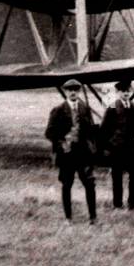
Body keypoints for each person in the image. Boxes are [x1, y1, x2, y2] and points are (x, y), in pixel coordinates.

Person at [44, 79, 99, 224]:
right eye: (70, 90)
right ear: (66, 92)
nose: (73, 92)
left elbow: (90, 131)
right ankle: (68, 218)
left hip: (83, 154)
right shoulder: (58, 110)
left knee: (89, 184)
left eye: (76, 89)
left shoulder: (85, 108)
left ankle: (93, 217)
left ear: (79, 91)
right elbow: (49, 132)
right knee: (67, 185)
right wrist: (62, 141)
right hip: (66, 155)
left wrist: (91, 148)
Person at [99, 80, 134, 210]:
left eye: (128, 90)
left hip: (131, 148)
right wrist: (107, 147)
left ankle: (132, 203)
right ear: (118, 92)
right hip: (117, 148)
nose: (126, 93)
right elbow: (103, 129)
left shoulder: (133, 106)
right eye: (123, 91)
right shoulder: (112, 107)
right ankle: (117, 204)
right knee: (117, 177)